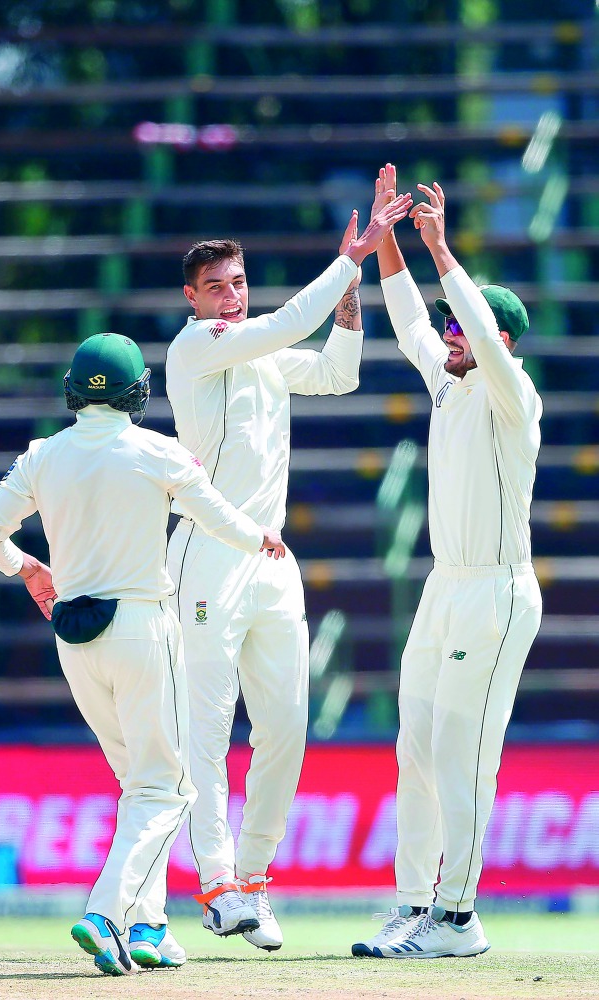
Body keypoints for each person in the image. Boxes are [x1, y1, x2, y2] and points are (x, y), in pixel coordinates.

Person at [0, 332, 285, 976]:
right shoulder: (155, 450)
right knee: (168, 790)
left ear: (73, 391)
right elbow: (220, 519)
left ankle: (149, 928)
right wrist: (262, 539)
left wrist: (27, 568)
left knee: (140, 785)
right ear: (137, 390)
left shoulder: (41, 455)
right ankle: (105, 912)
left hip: (75, 637)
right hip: (142, 628)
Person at [165, 186, 413, 950]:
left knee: (286, 729)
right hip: (208, 552)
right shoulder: (195, 347)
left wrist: (352, 291)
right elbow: (288, 321)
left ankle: (255, 880)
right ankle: (217, 885)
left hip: (271, 559)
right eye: (216, 287)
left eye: (238, 283)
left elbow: (339, 372)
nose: (230, 297)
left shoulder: (263, 354)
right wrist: (351, 260)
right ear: (192, 298)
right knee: (207, 729)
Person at [352, 164, 543, 960]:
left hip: (497, 593)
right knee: (419, 747)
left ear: (498, 341)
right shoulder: (447, 378)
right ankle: (412, 904)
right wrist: (387, 239)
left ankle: (459, 919)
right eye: (451, 329)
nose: (449, 337)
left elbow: (477, 334)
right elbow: (407, 320)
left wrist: (441, 250)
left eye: (461, 328)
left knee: (464, 753)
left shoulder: (513, 395)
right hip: (445, 587)